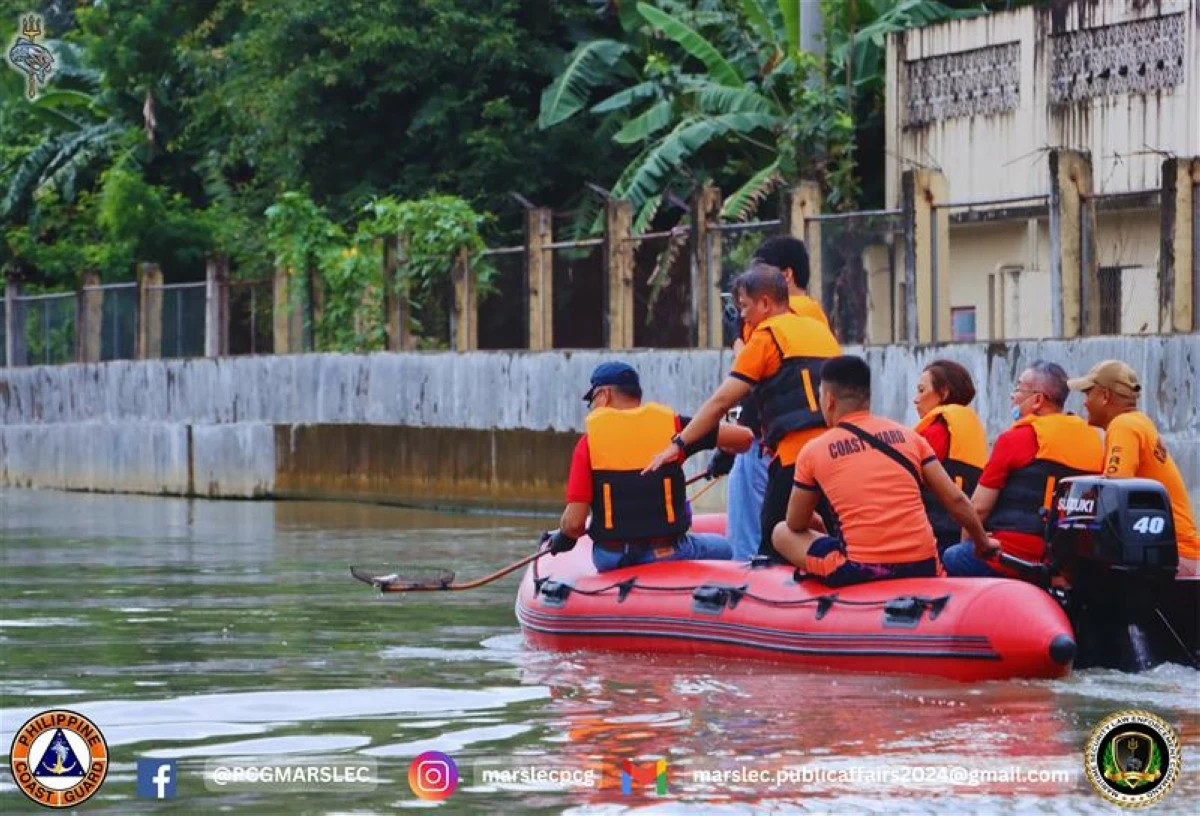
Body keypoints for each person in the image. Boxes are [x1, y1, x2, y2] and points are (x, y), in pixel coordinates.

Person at [645, 263, 840, 562]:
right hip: (838, 455)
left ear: (765, 302)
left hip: (796, 459)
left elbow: (721, 402)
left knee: (772, 542)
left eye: (745, 307)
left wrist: (679, 444)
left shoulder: (766, 337)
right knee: (841, 531)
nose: (743, 315)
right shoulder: (821, 332)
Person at [772, 356, 1000, 585]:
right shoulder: (910, 437)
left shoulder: (813, 450)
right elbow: (957, 500)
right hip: (924, 564)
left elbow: (796, 524)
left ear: (829, 400)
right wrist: (983, 543)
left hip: (862, 568)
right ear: (867, 398)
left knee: (781, 532)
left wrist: (820, 529)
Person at [547, 361, 753, 573]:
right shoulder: (674, 427)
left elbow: (574, 524)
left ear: (604, 394)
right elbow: (745, 438)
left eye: (592, 400)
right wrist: (725, 453)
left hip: (611, 558)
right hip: (669, 552)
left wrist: (564, 537)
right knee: (725, 547)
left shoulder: (588, 444)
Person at [722, 236, 832, 560]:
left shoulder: (792, 318)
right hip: (769, 438)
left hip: (775, 443)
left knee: (759, 521)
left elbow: (744, 387)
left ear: (784, 276)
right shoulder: (807, 319)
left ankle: (750, 579)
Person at [943, 361, 1103, 578]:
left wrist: (974, 544)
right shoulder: (1095, 440)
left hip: (1015, 554)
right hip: (1067, 558)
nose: (1013, 396)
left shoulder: (1017, 439)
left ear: (1037, 400)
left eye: (1018, 389)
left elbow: (978, 509)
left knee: (953, 556)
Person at [1069, 359, 1199, 577]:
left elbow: (1112, 498)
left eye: (1087, 394)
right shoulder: (1139, 422)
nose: (1084, 403)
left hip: (1169, 555)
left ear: (1104, 396)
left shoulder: (1123, 426)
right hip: (1175, 550)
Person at [912, 359, 988, 554]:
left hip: (936, 531)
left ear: (943, 393)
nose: (915, 399)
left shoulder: (935, 432)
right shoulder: (972, 426)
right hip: (963, 528)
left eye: (921, 390)